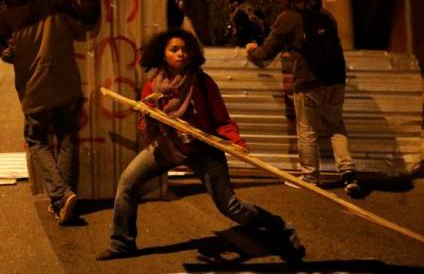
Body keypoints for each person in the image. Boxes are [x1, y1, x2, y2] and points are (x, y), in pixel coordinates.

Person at [96, 29, 304, 262]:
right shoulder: (153, 86)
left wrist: (237, 142)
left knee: (231, 207)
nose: (181, 54)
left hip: (203, 149)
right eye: (174, 49)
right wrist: (147, 116)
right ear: (163, 54)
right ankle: (122, 243)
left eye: (185, 49)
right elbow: (146, 125)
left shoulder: (202, 83)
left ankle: (277, 225)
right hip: (167, 146)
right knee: (127, 183)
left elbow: (222, 121)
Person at [0, 0, 102, 225]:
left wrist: (10, 53)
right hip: (67, 86)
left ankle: (61, 194)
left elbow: (9, 53)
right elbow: (87, 19)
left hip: (35, 92)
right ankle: (63, 202)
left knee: (36, 141)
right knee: (67, 140)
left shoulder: (6, 19)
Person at [245, 0, 362, 197]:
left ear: (286, 0)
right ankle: (349, 174)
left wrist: (251, 50)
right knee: (336, 125)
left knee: (307, 130)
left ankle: (310, 177)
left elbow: (265, 54)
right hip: (336, 79)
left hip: (309, 81)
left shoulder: (287, 19)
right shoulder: (325, 15)